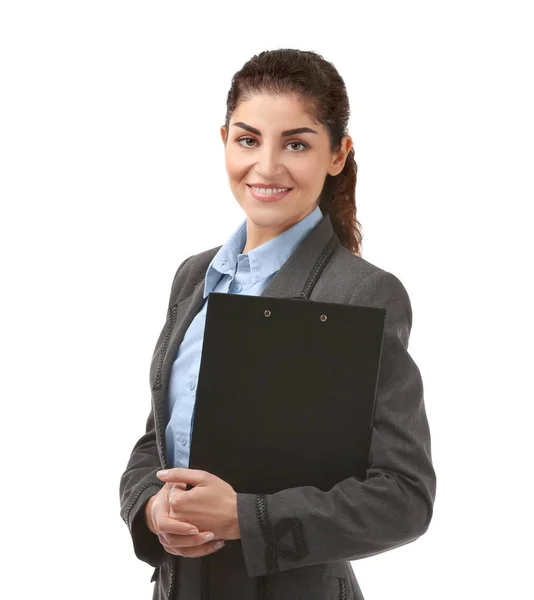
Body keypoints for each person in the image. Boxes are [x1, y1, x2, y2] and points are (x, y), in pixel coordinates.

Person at [119, 48, 437, 600]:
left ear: (338, 154)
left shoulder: (362, 294)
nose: (266, 167)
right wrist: (151, 506)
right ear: (224, 142)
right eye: (248, 140)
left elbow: (404, 497)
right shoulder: (196, 276)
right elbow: (158, 440)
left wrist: (246, 517)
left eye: (296, 143)